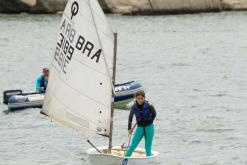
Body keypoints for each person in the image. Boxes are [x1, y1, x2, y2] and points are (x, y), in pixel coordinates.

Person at [125, 90, 157, 157]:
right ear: (136, 98)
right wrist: (129, 128)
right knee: (132, 146)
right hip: (140, 128)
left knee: (147, 147)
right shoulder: (134, 106)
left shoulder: (149, 105)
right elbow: (130, 117)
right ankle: (125, 159)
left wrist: (149, 122)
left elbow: (154, 114)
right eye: (138, 98)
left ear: (144, 98)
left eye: (141, 98)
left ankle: (149, 161)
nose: (140, 100)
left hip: (149, 128)